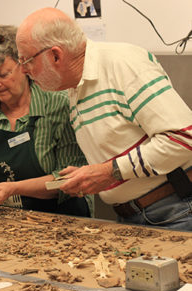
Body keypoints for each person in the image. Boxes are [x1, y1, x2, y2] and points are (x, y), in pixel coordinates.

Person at [16, 7, 192, 230]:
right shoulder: (74, 87)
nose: (23, 70)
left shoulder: (123, 64)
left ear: (55, 55)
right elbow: (120, 145)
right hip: (131, 215)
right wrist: (89, 174)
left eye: (26, 60)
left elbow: (183, 138)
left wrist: (109, 171)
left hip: (174, 211)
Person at [0, 25, 93, 217]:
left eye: (2, 75)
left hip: (55, 220)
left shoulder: (58, 105)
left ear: (24, 66)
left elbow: (68, 178)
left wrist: (14, 189)